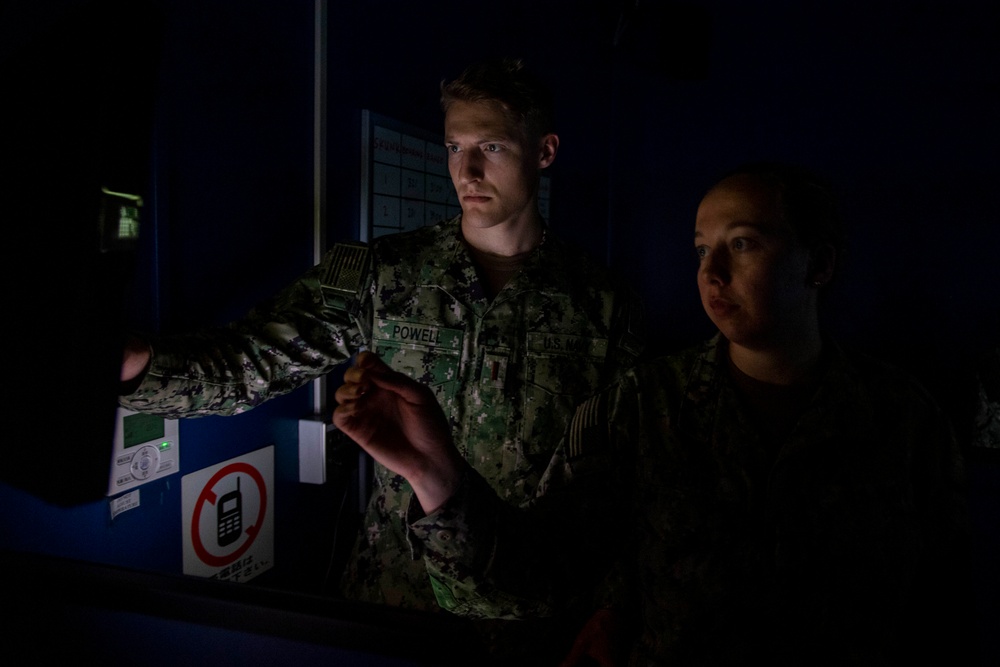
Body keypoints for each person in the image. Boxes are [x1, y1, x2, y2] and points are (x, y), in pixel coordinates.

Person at [333, 161, 975, 665]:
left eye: (743, 243)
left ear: (821, 264)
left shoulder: (902, 419)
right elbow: (536, 581)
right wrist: (436, 475)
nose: (712, 271)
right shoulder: (641, 405)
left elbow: (944, 610)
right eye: (701, 249)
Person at [119, 57, 645, 665]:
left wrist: (613, 606)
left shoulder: (602, 303)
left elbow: (626, 477)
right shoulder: (387, 273)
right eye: (453, 147)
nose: (466, 171)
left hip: (531, 615)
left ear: (545, 152)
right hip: (395, 601)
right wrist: (137, 364)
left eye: (491, 146)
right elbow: (252, 361)